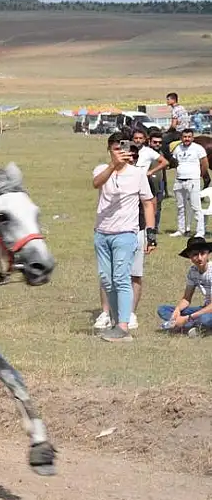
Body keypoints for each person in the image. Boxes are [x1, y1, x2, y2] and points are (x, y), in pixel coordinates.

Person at [92, 132, 157, 343]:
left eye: (122, 148)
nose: (119, 152)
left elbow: (148, 203)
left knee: (121, 278)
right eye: (115, 149)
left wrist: (150, 232)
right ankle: (114, 320)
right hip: (102, 232)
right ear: (109, 150)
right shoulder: (102, 169)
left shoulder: (138, 174)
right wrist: (113, 166)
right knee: (106, 279)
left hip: (125, 233)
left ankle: (123, 325)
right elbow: (96, 183)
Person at [157, 236, 212, 338]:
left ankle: (185, 325)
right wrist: (177, 310)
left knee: (205, 319)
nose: (199, 258)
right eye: (195, 254)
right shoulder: (193, 271)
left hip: (209, 311)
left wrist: (187, 318)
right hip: (205, 308)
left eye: (202, 253)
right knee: (163, 309)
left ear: (208, 253)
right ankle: (192, 326)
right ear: (189, 256)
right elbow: (186, 298)